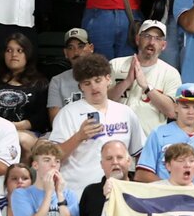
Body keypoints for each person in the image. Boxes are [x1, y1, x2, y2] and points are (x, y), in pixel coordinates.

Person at [47, 54, 144, 198]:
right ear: (80, 87)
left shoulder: (125, 112)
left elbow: (140, 153)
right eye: (87, 83)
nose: (93, 87)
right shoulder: (68, 113)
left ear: (108, 79)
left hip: (119, 193)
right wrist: (78, 137)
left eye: (98, 80)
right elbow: (53, 157)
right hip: (77, 194)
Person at [106, 21, 180, 137]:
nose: (151, 42)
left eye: (157, 38)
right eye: (147, 36)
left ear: (164, 45)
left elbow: (172, 112)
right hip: (115, 137)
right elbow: (103, 100)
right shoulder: (116, 65)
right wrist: (127, 82)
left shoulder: (170, 73)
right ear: (137, 39)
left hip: (149, 141)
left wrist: (146, 87)